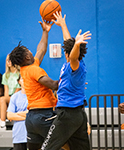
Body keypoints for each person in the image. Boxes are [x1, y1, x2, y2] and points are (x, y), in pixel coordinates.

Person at [41, 11, 91, 150]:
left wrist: (76, 45)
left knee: (47, 148)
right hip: (78, 115)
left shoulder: (75, 65)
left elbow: (73, 55)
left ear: (69, 53)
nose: (64, 52)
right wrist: (63, 24)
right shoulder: (74, 63)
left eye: (66, 52)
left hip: (67, 114)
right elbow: (68, 43)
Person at [9, 19, 61, 150]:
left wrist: (45, 31)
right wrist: (72, 81)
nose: (31, 51)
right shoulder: (34, 70)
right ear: (27, 57)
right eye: (28, 51)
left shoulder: (25, 68)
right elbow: (54, 85)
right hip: (44, 116)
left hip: (31, 119)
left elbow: (41, 50)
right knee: (62, 145)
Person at [0, 54, 21, 131]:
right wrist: (6, 98)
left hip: (17, 97)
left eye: (10, 60)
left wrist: (7, 99)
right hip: (8, 97)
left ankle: (2, 124)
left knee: (2, 99)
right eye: (7, 60)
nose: (8, 62)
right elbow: (6, 91)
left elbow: (18, 91)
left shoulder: (19, 74)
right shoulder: (5, 75)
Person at [7, 75, 28, 150]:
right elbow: (9, 116)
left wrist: (16, 114)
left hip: (32, 134)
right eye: (22, 79)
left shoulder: (35, 96)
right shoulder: (14, 97)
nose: (25, 80)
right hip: (18, 135)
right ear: (19, 81)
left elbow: (32, 114)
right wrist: (26, 115)